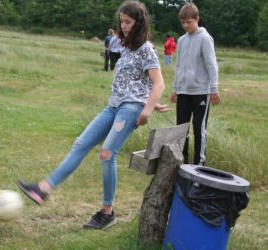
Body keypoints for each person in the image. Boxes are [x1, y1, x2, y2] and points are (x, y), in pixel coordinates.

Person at [18, 0, 168, 230]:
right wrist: (148, 101)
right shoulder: (126, 47)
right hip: (114, 106)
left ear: (139, 22)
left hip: (130, 109)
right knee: (81, 144)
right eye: (121, 21)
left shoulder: (146, 48)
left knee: (107, 154)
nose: (123, 26)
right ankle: (43, 189)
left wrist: (146, 109)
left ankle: (107, 212)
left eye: (128, 22)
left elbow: (158, 83)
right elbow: (138, 82)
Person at [169, 2, 220, 166]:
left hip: (200, 92)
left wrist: (214, 89)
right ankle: (181, 163)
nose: (185, 25)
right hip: (183, 92)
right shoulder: (182, 40)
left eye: (188, 22)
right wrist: (175, 88)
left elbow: (211, 65)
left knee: (199, 128)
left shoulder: (205, 38)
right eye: (182, 22)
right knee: (181, 128)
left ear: (197, 19)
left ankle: (199, 165)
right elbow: (178, 65)